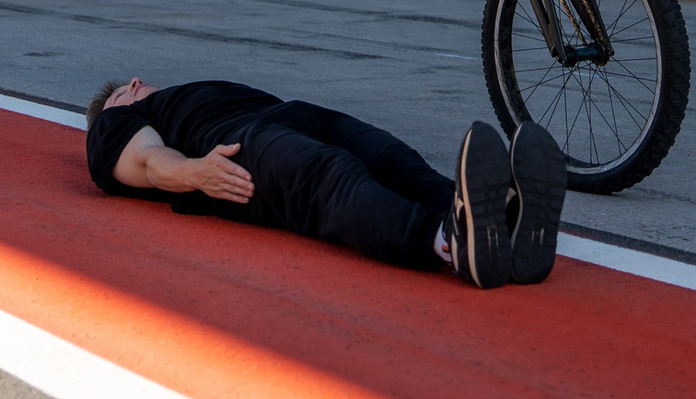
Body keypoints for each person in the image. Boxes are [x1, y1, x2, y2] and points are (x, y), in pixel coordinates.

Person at [84, 78, 565, 290]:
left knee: (398, 163)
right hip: (238, 147)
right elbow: (148, 163)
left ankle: (502, 227)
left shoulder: (175, 96)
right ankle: (444, 243)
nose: (136, 82)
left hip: (295, 114)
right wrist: (196, 172)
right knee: (329, 180)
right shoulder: (114, 125)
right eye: (125, 89)